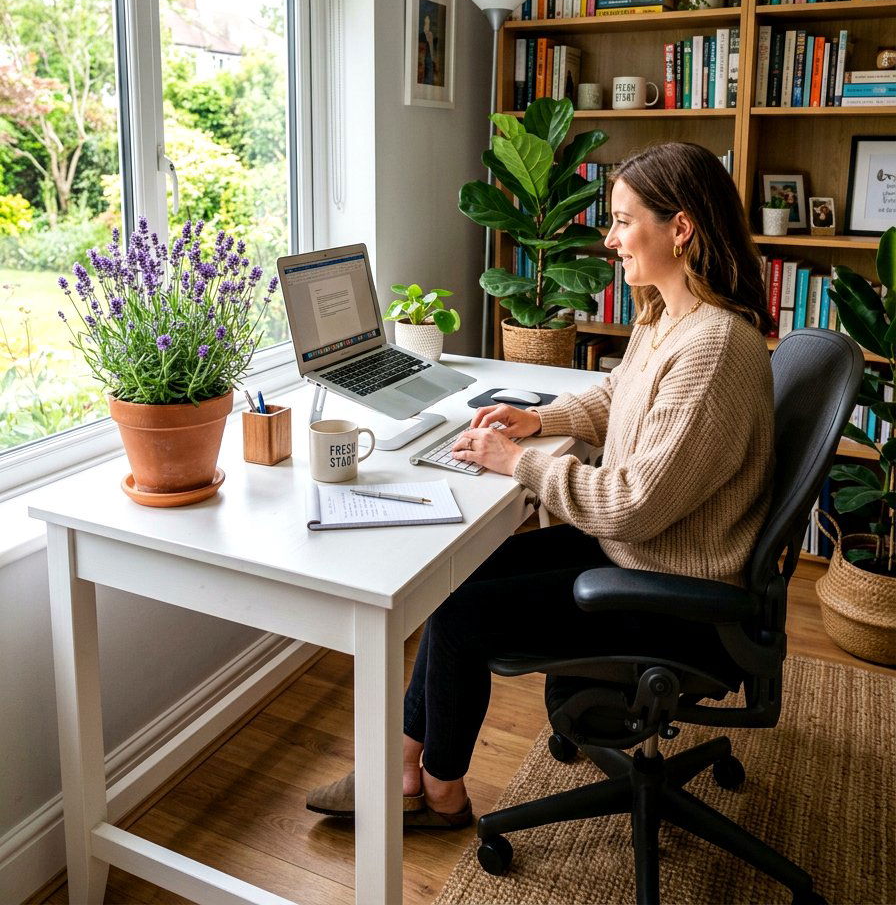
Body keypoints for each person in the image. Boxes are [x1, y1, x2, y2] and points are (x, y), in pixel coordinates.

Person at [306, 141, 776, 830]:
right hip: (644, 554)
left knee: (462, 616)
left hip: (676, 592)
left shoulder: (712, 346)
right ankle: (403, 764)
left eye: (623, 221)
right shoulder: (669, 313)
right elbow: (619, 396)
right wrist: (539, 420)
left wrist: (515, 462)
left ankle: (439, 793)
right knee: (457, 576)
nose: (611, 238)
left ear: (681, 229)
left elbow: (632, 504)